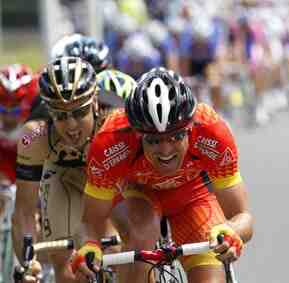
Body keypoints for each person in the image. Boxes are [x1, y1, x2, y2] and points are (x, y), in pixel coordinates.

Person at [72, 67, 254, 283]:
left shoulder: (211, 131)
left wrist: (232, 232)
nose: (166, 150)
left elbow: (243, 217)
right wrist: (89, 245)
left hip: (192, 198)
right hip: (140, 195)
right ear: (137, 135)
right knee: (141, 232)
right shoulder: (110, 141)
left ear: (190, 128)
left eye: (175, 136)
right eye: (154, 141)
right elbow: (90, 222)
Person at [12, 56, 137, 283]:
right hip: (63, 175)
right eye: (60, 115)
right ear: (49, 112)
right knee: (65, 265)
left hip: (107, 177)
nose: (71, 125)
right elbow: (23, 212)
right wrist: (27, 264)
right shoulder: (34, 136)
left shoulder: (116, 121)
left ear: (96, 103)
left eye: (80, 113)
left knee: (129, 241)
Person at [0, 64, 39, 283]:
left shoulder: (36, 122)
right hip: (5, 165)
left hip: (31, 165)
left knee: (33, 211)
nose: (8, 117)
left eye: (14, 111)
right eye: (2, 110)